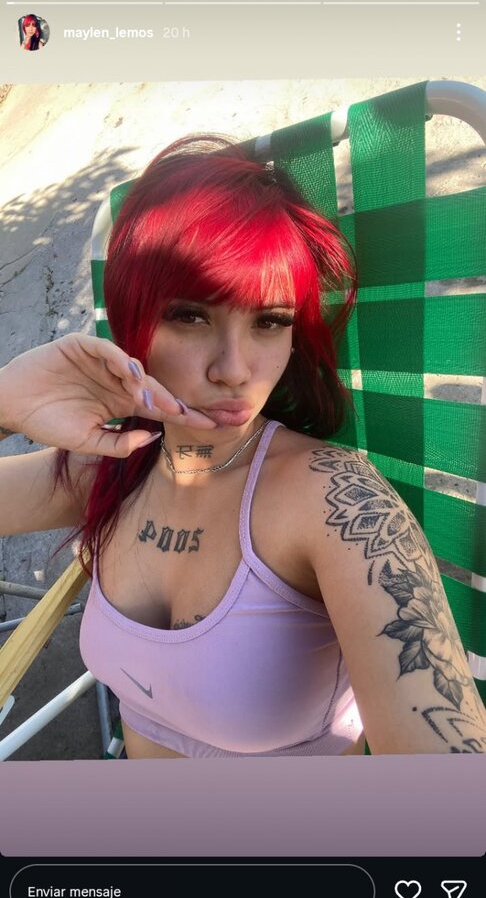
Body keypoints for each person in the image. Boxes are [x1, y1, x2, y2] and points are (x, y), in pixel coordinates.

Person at [1, 135, 485, 758]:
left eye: (270, 321)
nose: (234, 370)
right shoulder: (112, 466)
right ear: (132, 319)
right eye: (191, 316)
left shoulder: (335, 504)